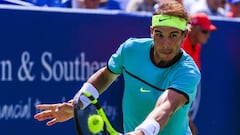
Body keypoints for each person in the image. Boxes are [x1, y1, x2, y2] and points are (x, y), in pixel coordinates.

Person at [34, 0, 201, 135]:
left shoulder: (188, 71)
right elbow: (106, 75)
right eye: (159, 35)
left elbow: (166, 106)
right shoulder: (131, 49)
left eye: (173, 35)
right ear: (151, 32)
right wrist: (77, 104)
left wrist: (141, 133)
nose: (166, 43)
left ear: (184, 35)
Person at [181, 12, 217, 135]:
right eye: (205, 31)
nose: (208, 36)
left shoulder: (197, 47)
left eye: (209, 32)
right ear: (194, 28)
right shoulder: (179, 44)